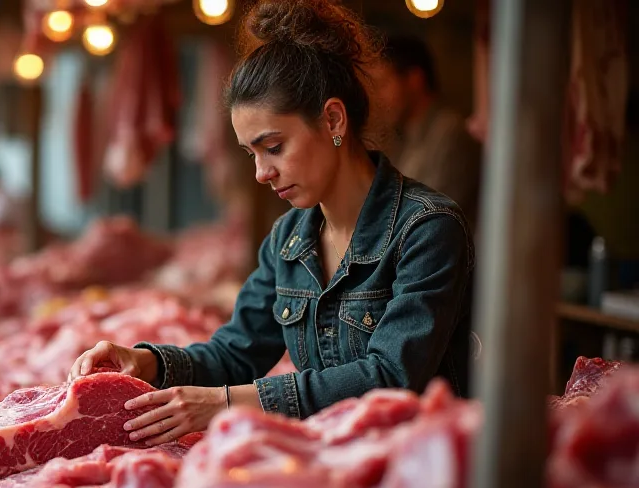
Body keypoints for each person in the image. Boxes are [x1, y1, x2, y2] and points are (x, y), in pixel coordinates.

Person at [69, 0, 474, 445]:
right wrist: (149, 362)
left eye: (274, 147)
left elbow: (391, 375)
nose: (261, 173)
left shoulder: (427, 228)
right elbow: (236, 352)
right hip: (336, 459)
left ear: (333, 119)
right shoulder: (288, 239)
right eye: (252, 154)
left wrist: (225, 403)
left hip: (427, 465)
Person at [372, 35, 483, 230]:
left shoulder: (450, 133)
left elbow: (431, 214)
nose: (379, 97)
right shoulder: (400, 137)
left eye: (384, 84)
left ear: (415, 80)